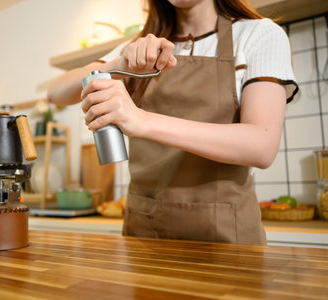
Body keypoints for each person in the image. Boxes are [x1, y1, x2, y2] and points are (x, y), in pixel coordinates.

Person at [47, 0, 298, 244]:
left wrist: (142, 120)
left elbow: (261, 145)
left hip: (227, 237)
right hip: (144, 231)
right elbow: (55, 93)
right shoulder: (139, 49)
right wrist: (118, 63)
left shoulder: (258, 34)